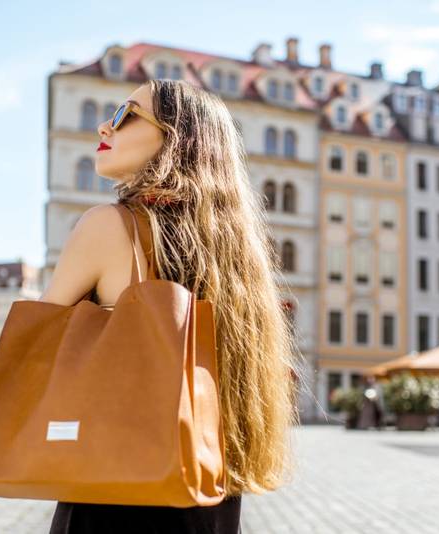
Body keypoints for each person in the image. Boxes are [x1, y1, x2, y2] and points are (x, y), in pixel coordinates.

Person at [40, 79, 306, 533]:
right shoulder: (237, 254)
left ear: (174, 137)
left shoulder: (108, 226)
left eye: (126, 115)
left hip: (115, 487)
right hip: (211, 491)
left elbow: (37, 347)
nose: (106, 124)